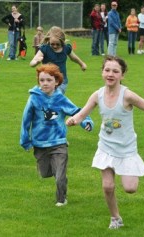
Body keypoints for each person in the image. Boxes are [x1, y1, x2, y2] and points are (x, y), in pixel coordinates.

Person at [66, 56, 144, 229]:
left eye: (115, 71)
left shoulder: (128, 95)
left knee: (130, 188)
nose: (110, 74)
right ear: (102, 72)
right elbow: (82, 113)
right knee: (108, 186)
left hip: (126, 149)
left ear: (122, 75)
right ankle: (115, 218)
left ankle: (128, 168)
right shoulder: (97, 95)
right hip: (106, 147)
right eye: (107, 70)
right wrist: (73, 120)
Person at [20, 63, 93, 207]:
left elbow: (77, 111)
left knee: (60, 176)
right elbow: (25, 119)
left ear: (57, 82)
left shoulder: (60, 99)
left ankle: (61, 198)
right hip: (40, 143)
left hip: (58, 142)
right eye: (42, 80)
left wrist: (86, 122)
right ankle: (55, 173)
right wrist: (25, 140)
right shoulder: (34, 98)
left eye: (49, 80)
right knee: (45, 173)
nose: (45, 83)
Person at [30, 26, 87, 94]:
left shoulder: (66, 48)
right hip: (47, 80)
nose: (55, 46)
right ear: (49, 40)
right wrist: (36, 62)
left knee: (54, 96)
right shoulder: (45, 49)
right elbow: (32, 63)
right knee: (45, 99)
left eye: (58, 44)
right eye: (52, 44)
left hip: (61, 81)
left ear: (62, 42)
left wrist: (82, 64)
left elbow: (74, 58)